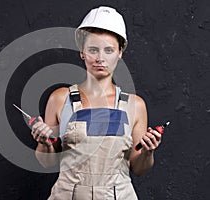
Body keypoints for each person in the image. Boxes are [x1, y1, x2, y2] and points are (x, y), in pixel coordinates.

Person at [31, 6, 162, 199]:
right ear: (82, 52)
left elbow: (138, 168)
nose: (100, 58)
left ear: (120, 53)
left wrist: (148, 152)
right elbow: (47, 163)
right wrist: (44, 143)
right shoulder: (60, 99)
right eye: (93, 50)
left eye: (109, 50)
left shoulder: (135, 105)